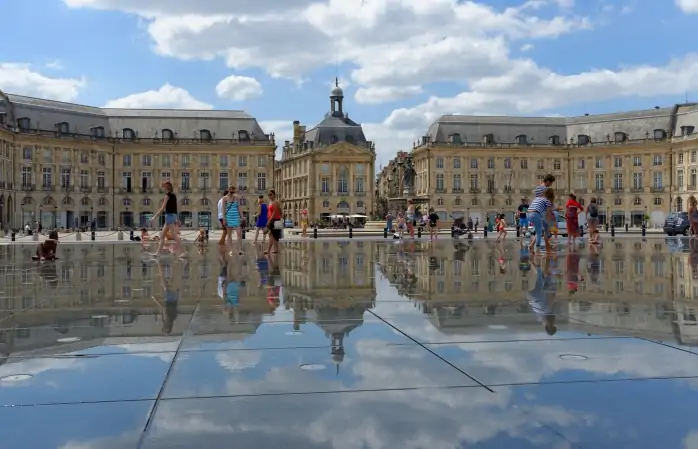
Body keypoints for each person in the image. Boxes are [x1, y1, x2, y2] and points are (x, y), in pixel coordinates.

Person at [149, 181, 184, 257]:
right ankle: (157, 253)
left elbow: (162, 208)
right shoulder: (174, 196)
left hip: (169, 217)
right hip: (171, 216)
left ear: (167, 187)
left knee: (175, 236)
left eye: (164, 186)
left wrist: (154, 217)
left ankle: (184, 252)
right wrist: (176, 219)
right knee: (162, 236)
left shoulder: (167, 196)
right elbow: (175, 208)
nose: (163, 188)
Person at [528, 187, 555, 254]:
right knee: (540, 232)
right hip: (535, 214)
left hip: (528, 213)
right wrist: (549, 223)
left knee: (539, 230)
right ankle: (537, 250)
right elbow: (548, 214)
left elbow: (541, 210)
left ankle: (531, 246)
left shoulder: (538, 198)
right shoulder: (548, 201)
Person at [223, 187, 244, 255]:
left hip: (236, 217)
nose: (232, 193)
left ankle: (239, 249)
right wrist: (224, 219)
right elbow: (223, 210)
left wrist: (242, 216)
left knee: (239, 233)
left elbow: (239, 207)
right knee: (229, 235)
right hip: (229, 217)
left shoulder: (237, 197)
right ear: (228, 190)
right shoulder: (225, 198)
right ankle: (231, 250)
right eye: (231, 192)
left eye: (233, 192)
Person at [265, 189, 282, 255]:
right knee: (275, 236)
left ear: (274, 195)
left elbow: (275, 212)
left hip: (274, 220)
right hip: (273, 219)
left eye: (271, 195)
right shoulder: (271, 202)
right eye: (268, 195)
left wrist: (269, 220)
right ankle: (276, 249)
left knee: (271, 235)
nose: (269, 196)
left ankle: (268, 250)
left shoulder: (275, 202)